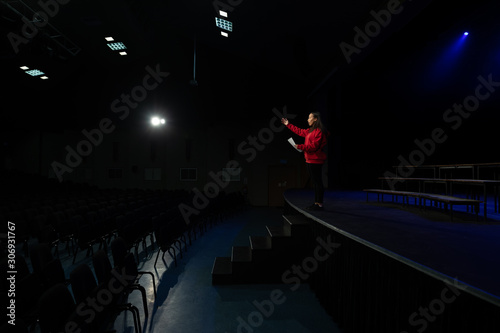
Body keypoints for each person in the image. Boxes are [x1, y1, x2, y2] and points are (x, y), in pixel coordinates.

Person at [282, 112, 328, 210]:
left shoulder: (319, 131)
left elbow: (314, 147)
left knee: (318, 182)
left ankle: (319, 204)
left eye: (309, 117)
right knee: (315, 183)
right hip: (309, 160)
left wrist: (300, 146)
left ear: (315, 119)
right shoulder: (310, 130)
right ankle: (316, 203)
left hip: (316, 160)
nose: (307, 119)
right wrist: (288, 125)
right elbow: (299, 131)